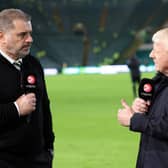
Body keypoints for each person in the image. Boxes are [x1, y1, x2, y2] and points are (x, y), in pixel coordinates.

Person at [0, 8, 55, 168]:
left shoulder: (33, 64)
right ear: (1, 36)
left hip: (38, 159)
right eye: (22, 35)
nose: (29, 39)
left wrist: (49, 148)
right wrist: (16, 108)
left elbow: (45, 108)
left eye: (30, 33)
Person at [118, 27, 168, 168]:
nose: (151, 55)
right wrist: (140, 110)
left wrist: (134, 120)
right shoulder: (159, 82)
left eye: (156, 51)